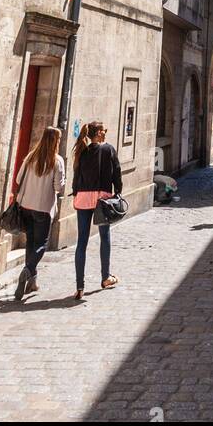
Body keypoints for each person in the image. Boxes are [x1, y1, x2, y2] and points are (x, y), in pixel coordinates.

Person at [13, 125, 65, 301]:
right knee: (41, 244)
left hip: (26, 205)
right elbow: (59, 187)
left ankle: (32, 281)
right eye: (59, 139)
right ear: (55, 141)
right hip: (43, 208)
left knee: (30, 242)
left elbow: (18, 178)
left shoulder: (31, 157)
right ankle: (27, 270)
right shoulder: (57, 161)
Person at [71, 120, 122, 301]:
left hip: (84, 197)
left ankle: (79, 287)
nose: (105, 133)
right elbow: (117, 171)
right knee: (104, 237)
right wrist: (118, 191)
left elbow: (77, 175)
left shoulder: (82, 151)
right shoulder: (108, 149)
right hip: (102, 198)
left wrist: (76, 192)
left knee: (81, 242)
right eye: (104, 130)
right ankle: (105, 277)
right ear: (99, 132)